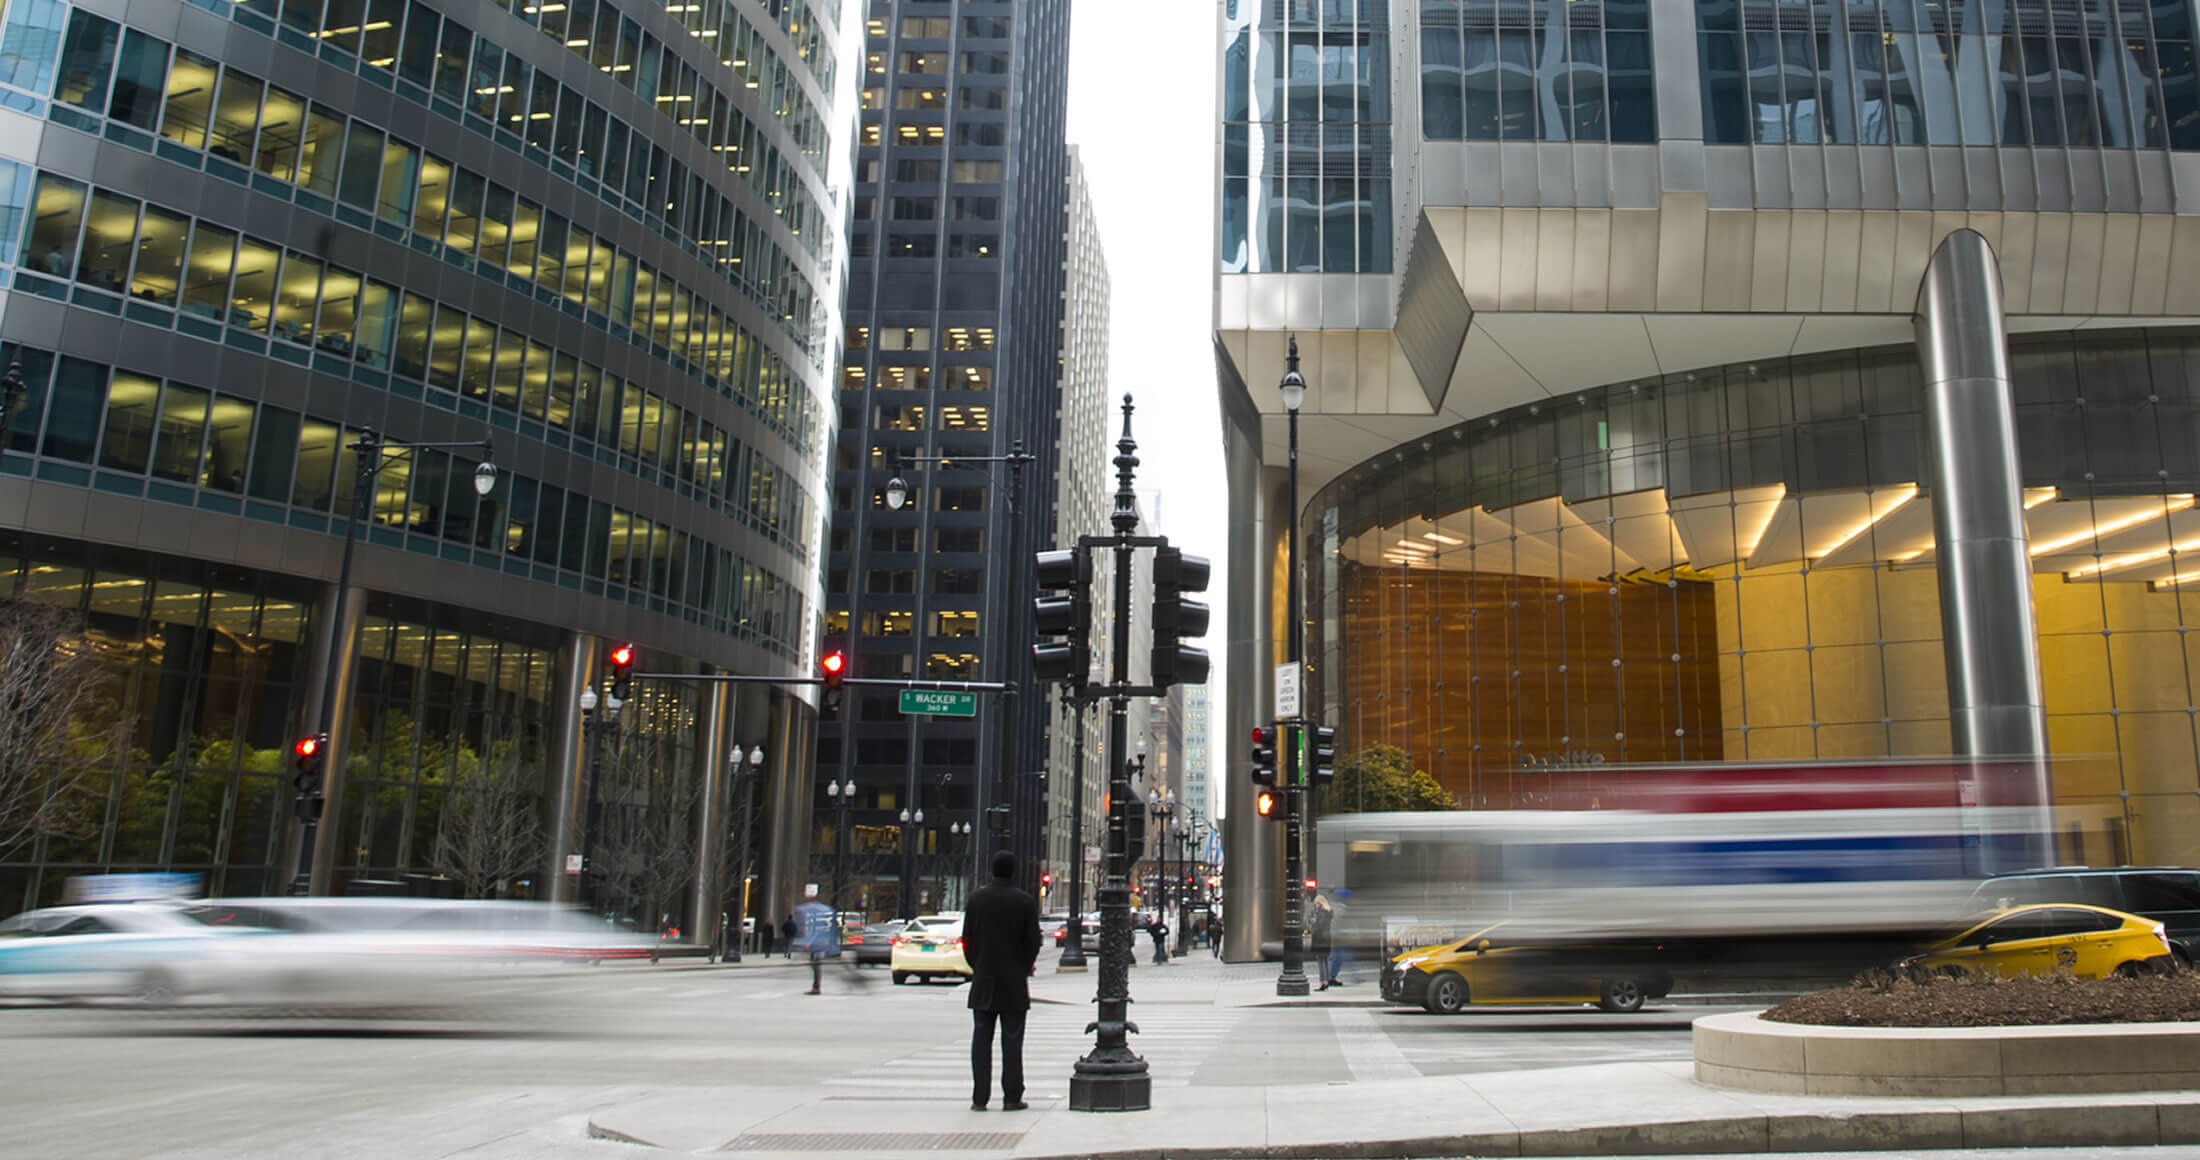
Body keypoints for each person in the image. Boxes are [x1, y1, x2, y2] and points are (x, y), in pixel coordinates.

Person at [962, 849, 1039, 1111]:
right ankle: (1012, 1096)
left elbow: (967, 939)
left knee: (981, 1041)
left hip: (984, 980)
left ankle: (979, 1097)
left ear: (992, 869)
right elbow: (1033, 942)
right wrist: (1023, 967)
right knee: (1013, 1042)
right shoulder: (1025, 901)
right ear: (1014, 871)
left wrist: (978, 966)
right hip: (1013, 982)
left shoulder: (976, 899)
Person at [793, 891, 837, 994]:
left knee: (815, 963)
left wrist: (809, 942)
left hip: (818, 943)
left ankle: (816, 987)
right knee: (815, 963)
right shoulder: (821, 913)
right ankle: (816, 986)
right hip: (820, 942)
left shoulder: (818, 915)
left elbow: (819, 931)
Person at [1310, 891, 1336, 990]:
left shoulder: (1321, 913)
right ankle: (1326, 980)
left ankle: (1323, 982)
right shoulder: (1328, 913)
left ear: (1319, 903)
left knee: (1321, 962)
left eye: (1316, 904)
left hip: (1320, 940)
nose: (1316, 906)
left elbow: (1319, 927)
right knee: (1325, 961)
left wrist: (1314, 924)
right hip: (1326, 939)